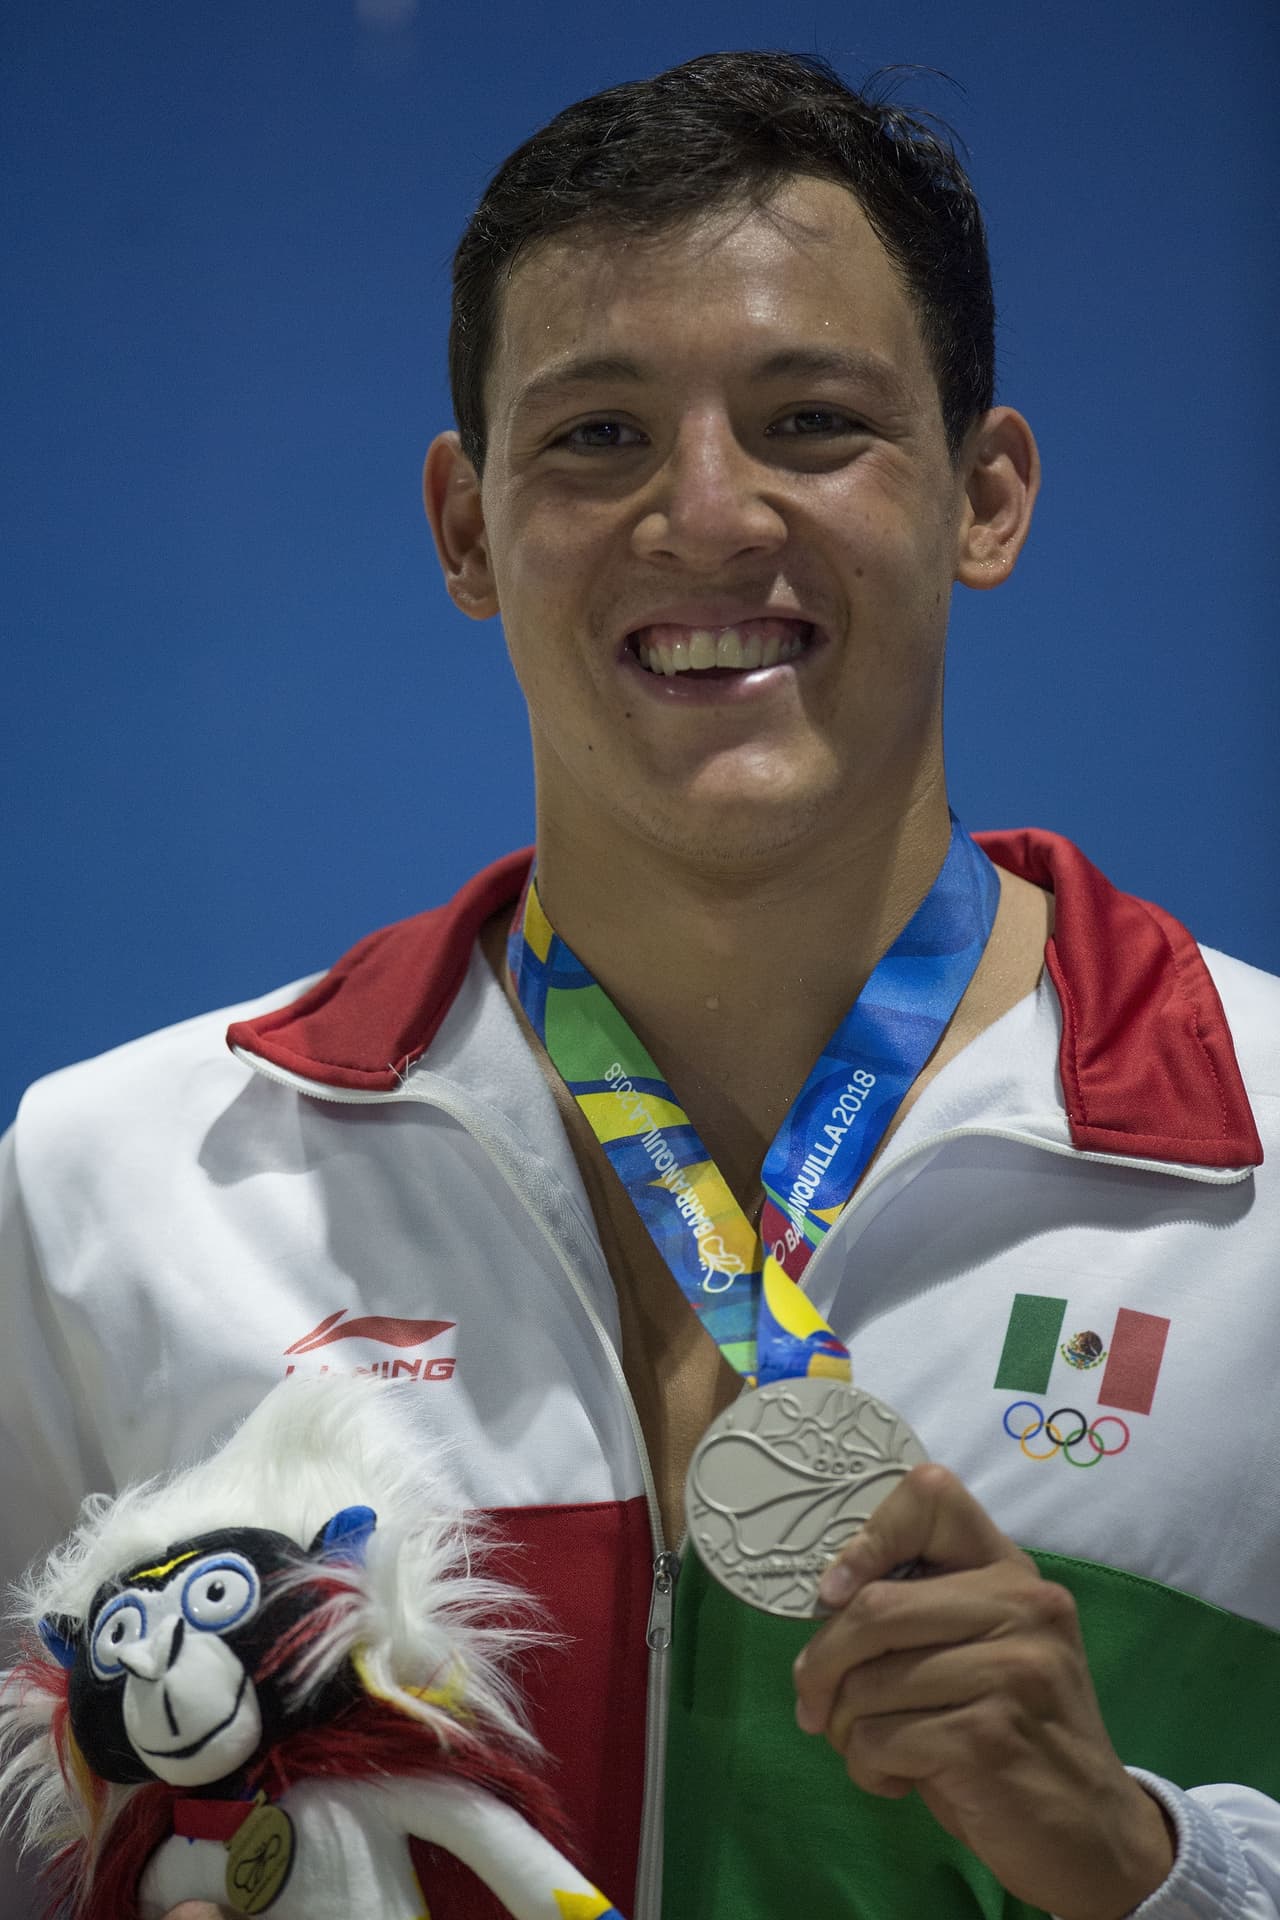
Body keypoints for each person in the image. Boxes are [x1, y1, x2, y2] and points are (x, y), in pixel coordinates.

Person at [3, 46, 1278, 1920]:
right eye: (597, 434)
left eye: (813, 421)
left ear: (985, 497)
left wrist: (1146, 1867)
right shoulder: (124, 1187)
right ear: (466, 528)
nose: (706, 515)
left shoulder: (1258, 1180)